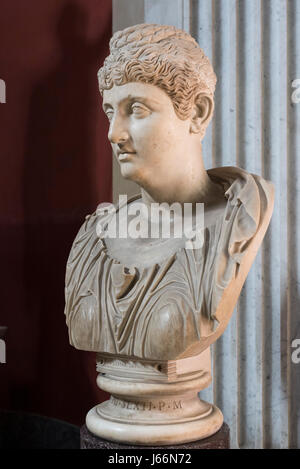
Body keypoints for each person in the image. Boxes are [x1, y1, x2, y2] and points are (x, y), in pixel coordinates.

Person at [64, 24, 274, 360]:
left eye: (136, 109)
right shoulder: (95, 235)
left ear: (198, 113)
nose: (113, 134)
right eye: (109, 112)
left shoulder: (238, 222)